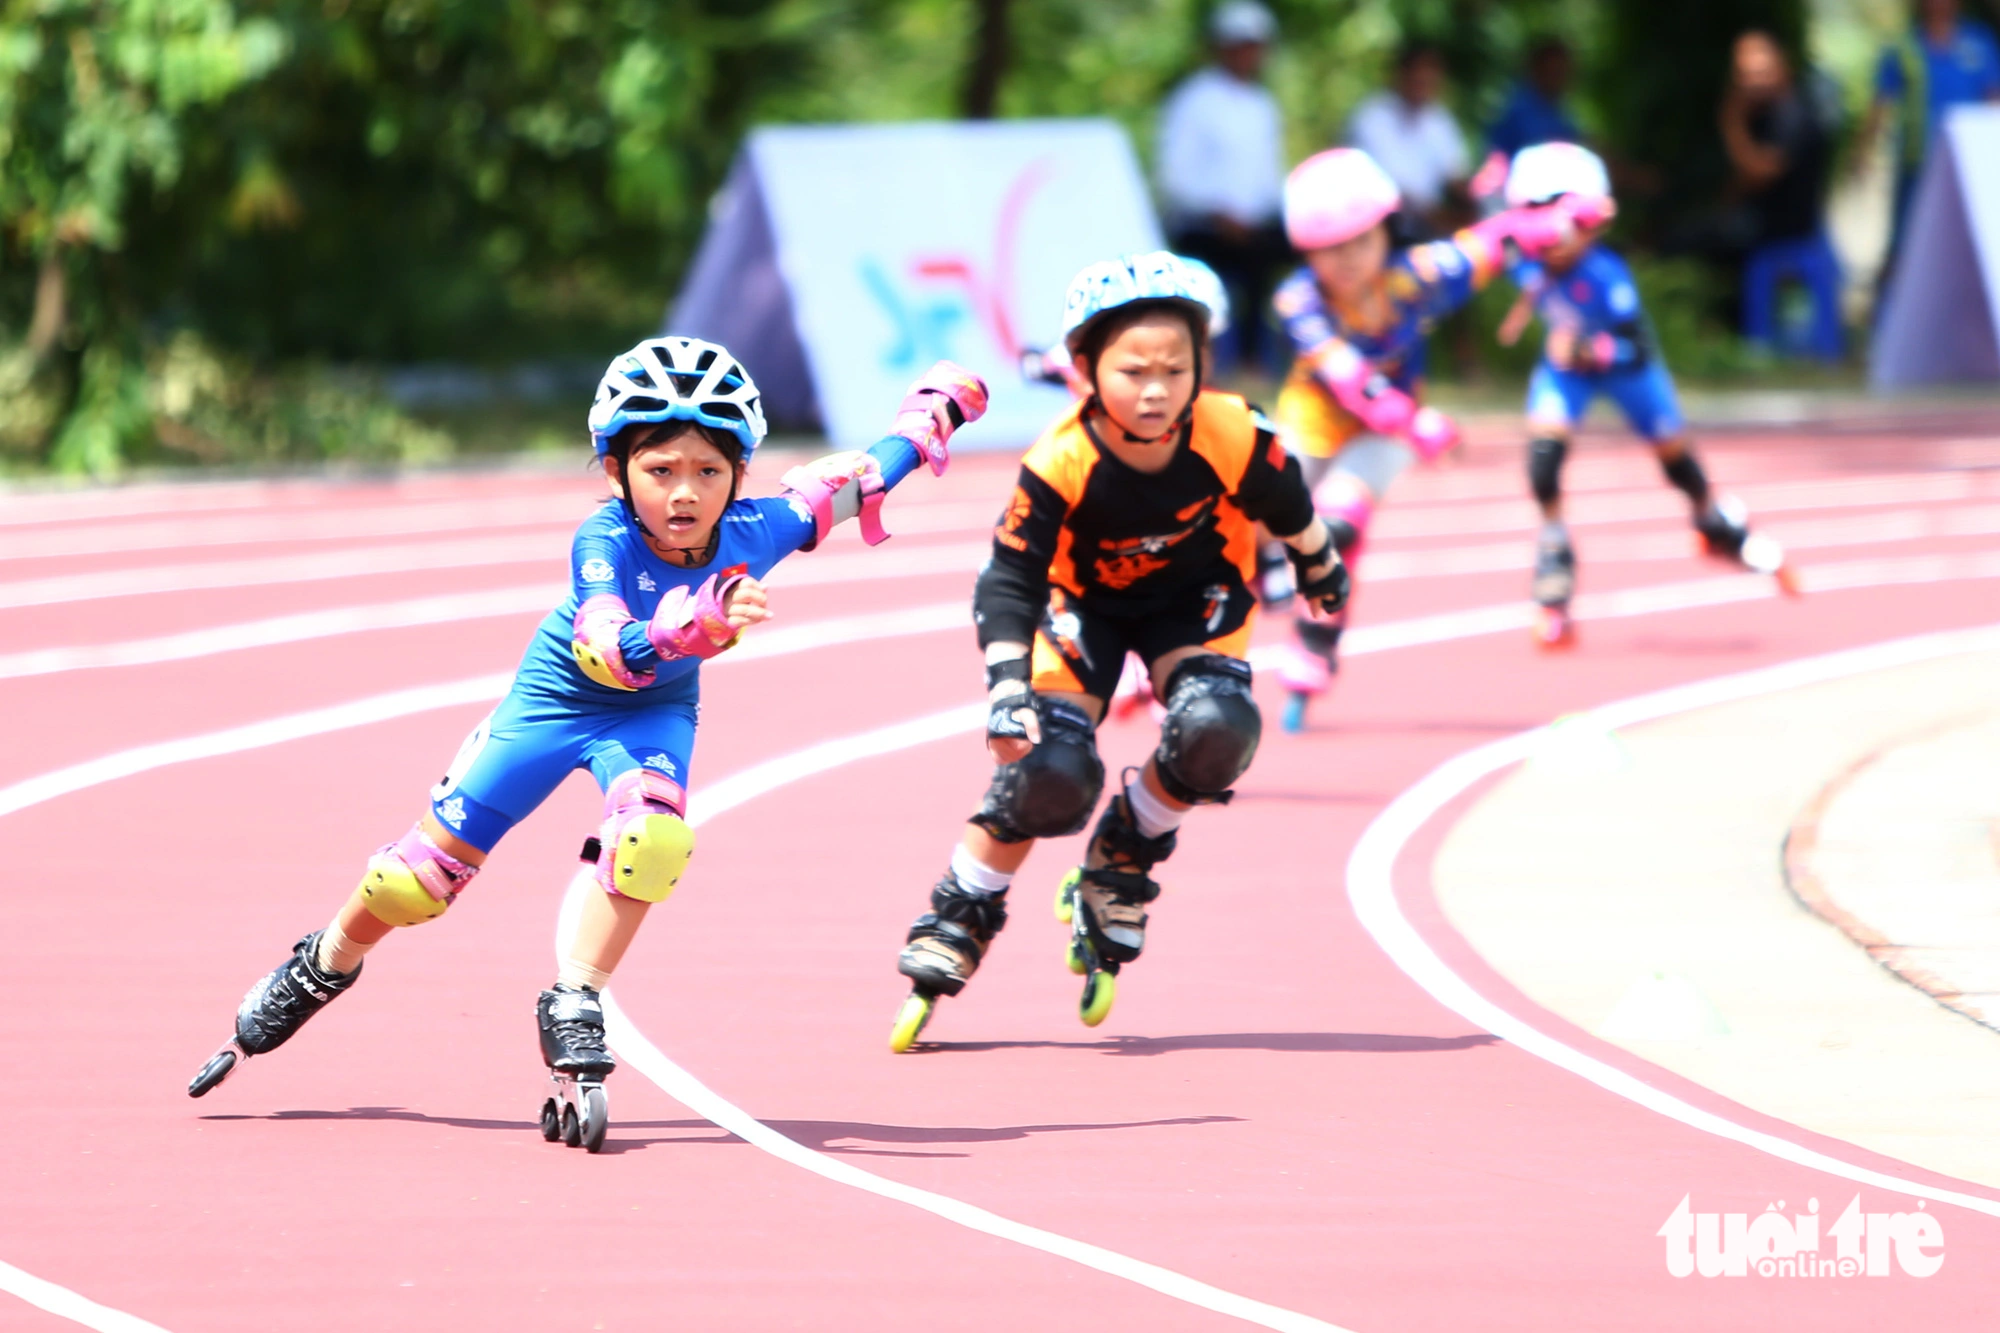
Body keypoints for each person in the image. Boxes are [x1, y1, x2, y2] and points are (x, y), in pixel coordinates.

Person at [187, 338, 988, 1148]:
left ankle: (577, 996)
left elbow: (852, 484)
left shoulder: (760, 530)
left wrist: (931, 417)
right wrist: (696, 620)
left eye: (709, 472)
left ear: (739, 475)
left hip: (652, 717)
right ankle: (322, 961)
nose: (685, 493)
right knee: (414, 883)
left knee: (654, 836)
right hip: (552, 704)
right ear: (617, 472)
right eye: (660, 470)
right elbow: (607, 643)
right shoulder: (601, 540)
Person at [887, 252, 1350, 1050]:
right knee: (1051, 772)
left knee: (1220, 729)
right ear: (1085, 370)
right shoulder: (1060, 458)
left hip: (1192, 597)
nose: (1157, 388)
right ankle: (963, 906)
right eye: (1133, 369)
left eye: (1177, 368)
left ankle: (1125, 854)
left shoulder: (1231, 429)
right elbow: (1008, 582)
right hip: (1083, 605)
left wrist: (1318, 561)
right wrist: (1004, 686)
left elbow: (1286, 497)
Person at [1265, 146, 1598, 731]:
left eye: (1360, 242)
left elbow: (1496, 239)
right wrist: (1412, 421)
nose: (1346, 261)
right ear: (1305, 252)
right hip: (1314, 422)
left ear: (1385, 232)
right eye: (1329, 249)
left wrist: (1563, 219)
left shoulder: (1418, 275)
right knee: (1249, 529)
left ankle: (1316, 642)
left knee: (1339, 526)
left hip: (1378, 436)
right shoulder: (1299, 299)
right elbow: (1346, 375)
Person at [1495, 142, 1799, 648]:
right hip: (1565, 368)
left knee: (1676, 463)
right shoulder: (1520, 259)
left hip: (1623, 369)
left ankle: (1713, 519)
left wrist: (1588, 349)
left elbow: (1634, 348)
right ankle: (1554, 561)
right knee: (1542, 464)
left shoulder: (1607, 277)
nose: (1554, 241)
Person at [1156, 0, 1290, 373]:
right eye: (1240, 44)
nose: (1248, 54)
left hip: (1253, 226)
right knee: (1237, 268)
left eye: (1255, 45)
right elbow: (1175, 175)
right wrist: (1216, 212)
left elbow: (1269, 176)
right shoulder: (1192, 99)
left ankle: (1265, 362)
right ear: (1221, 47)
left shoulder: (1263, 104)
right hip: (1201, 225)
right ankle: (1208, 360)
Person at [1718, 32, 1840, 358]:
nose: (1751, 83)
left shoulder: (1794, 115)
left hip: (1788, 232)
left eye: (1759, 72)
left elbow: (1759, 171)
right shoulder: (1765, 115)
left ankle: (1744, 342)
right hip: (1765, 229)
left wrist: (1731, 122)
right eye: (1744, 75)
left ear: (1781, 67)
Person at [1861, 0, 2000, 284]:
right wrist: (1863, 154)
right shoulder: (1903, 47)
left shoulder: (1979, 44)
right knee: (1906, 246)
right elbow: (1880, 105)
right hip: (1917, 166)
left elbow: (1993, 100)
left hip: (1968, 169)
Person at [1346, 40, 1472, 240]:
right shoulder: (1371, 117)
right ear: (1400, 74)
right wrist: (1439, 217)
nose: (1424, 82)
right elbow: (1389, 190)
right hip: (1380, 224)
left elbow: (1455, 177)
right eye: (1418, 76)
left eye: (1431, 77)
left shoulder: (1439, 120)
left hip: (1428, 224)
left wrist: (1477, 200)